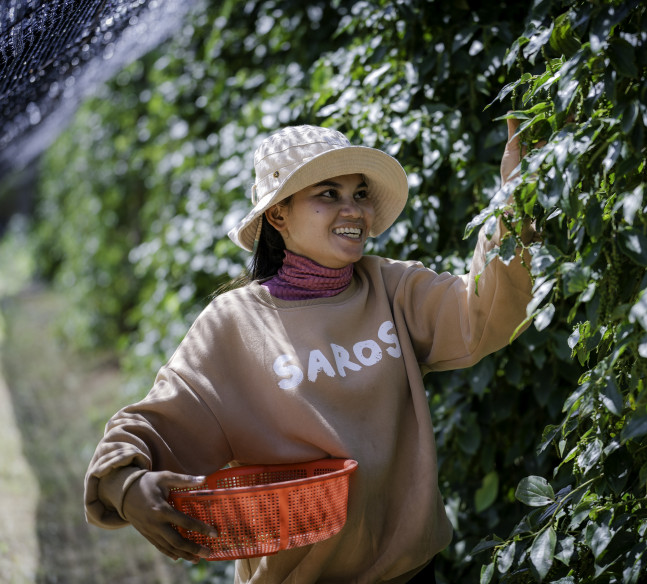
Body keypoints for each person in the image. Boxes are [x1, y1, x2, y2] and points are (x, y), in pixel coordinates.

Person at [83, 120, 535, 583]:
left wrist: (517, 193)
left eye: (360, 193)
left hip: (409, 575)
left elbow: (483, 309)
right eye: (328, 194)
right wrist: (126, 484)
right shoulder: (234, 325)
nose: (353, 210)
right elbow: (151, 423)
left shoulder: (393, 288)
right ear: (278, 215)